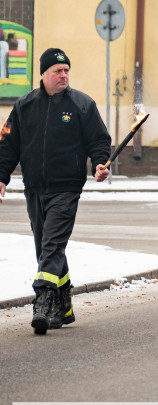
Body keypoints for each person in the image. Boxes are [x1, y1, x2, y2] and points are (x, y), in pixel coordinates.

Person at [0, 48, 111, 334]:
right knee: (46, 247)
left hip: (67, 187)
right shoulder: (24, 105)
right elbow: (8, 145)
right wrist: (1, 176)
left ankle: (43, 300)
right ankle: (64, 306)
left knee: (51, 244)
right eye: (57, 71)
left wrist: (100, 163)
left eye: (66, 71)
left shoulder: (81, 104)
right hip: (34, 187)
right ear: (44, 74)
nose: (64, 75)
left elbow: (99, 140)